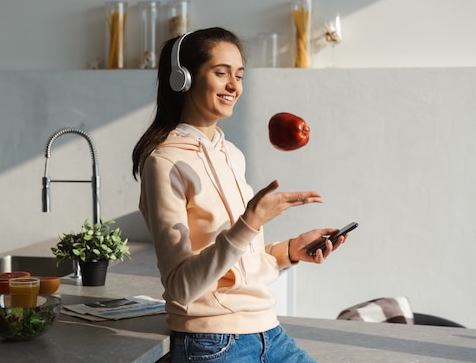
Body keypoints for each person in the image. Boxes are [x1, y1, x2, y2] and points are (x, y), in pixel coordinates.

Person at [132, 27, 348, 363]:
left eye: (239, 75)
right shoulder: (164, 163)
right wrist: (250, 221)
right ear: (182, 79)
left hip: (269, 332)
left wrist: (289, 251)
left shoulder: (230, 153)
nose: (234, 85)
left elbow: (239, 263)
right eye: (221, 73)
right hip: (211, 341)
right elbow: (180, 287)